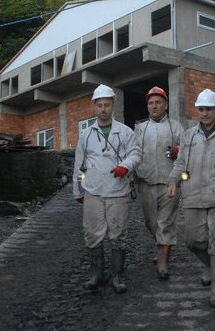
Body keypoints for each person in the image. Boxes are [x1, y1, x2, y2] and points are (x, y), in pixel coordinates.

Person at [167, 89, 215, 308]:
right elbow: (180, 163)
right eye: (201, 109)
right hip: (193, 195)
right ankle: (210, 265)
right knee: (192, 241)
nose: (205, 113)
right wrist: (173, 181)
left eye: (209, 109)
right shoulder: (188, 136)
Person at [74, 84, 141, 294]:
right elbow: (79, 164)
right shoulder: (86, 134)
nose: (103, 109)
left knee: (118, 234)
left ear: (113, 106)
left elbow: (136, 154)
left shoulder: (125, 132)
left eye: (107, 105)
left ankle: (117, 276)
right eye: (100, 105)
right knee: (92, 233)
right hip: (93, 190)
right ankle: (96, 274)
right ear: (94, 106)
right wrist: (78, 191)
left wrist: (126, 166)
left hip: (117, 191)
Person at [134, 86, 185, 280]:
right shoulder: (140, 128)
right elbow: (132, 152)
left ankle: (163, 259)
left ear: (166, 105)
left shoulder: (176, 126)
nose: (154, 106)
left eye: (158, 102)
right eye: (151, 103)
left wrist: (178, 151)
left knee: (166, 222)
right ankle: (163, 246)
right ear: (147, 106)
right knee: (151, 223)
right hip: (146, 182)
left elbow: (187, 149)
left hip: (169, 182)